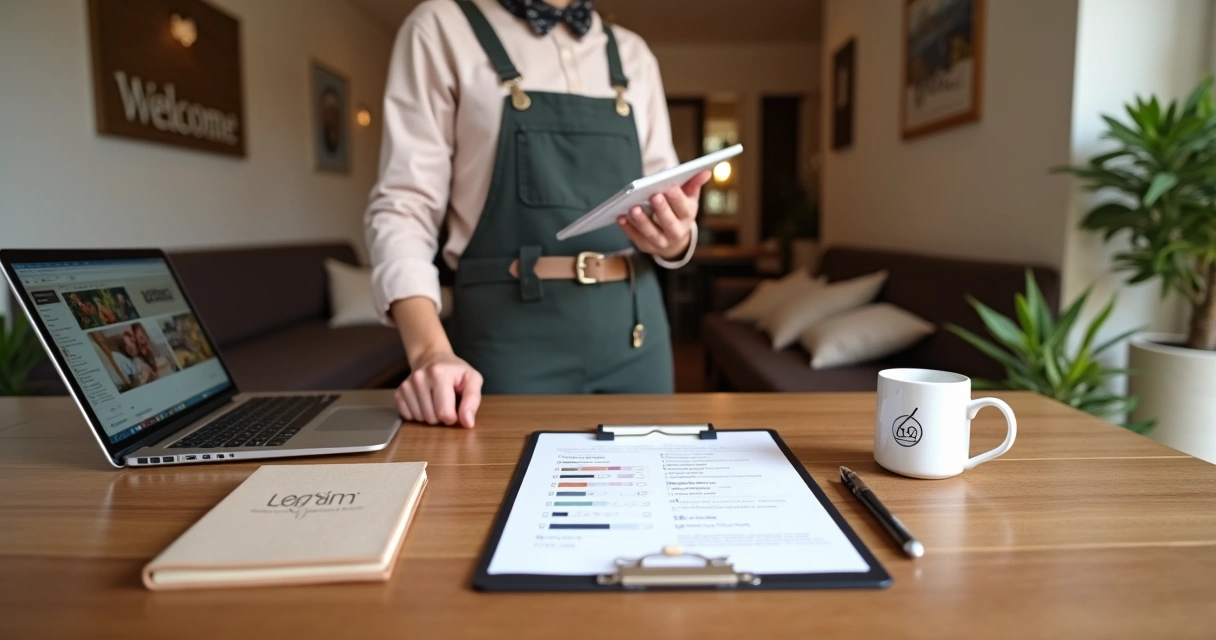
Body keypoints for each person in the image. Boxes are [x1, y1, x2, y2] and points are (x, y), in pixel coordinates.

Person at [366, 0, 708, 428]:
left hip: (636, 335)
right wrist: (430, 351)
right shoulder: (440, 28)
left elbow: (663, 198)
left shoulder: (634, 54)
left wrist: (675, 237)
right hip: (504, 338)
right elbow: (403, 206)